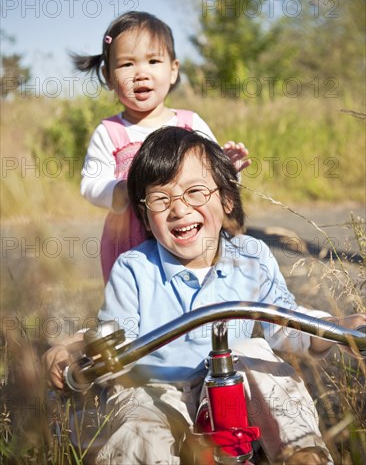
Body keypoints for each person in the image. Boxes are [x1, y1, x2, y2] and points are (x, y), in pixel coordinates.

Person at [44, 127, 366, 465]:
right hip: (160, 391)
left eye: (195, 192)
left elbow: (284, 321)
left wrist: (338, 329)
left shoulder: (252, 256)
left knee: (255, 353)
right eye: (160, 199)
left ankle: (301, 453)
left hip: (232, 388)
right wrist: (71, 347)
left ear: (226, 199)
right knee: (137, 413)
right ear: (145, 216)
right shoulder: (134, 268)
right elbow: (114, 336)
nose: (179, 210)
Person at [74, 11, 250, 283]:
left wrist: (229, 170)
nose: (140, 74)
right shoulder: (110, 132)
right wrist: (120, 191)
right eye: (126, 65)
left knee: (200, 289)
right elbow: (91, 185)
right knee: (140, 299)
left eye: (153, 61)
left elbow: (216, 180)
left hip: (187, 226)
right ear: (108, 76)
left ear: (173, 70)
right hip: (131, 239)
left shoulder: (190, 123)